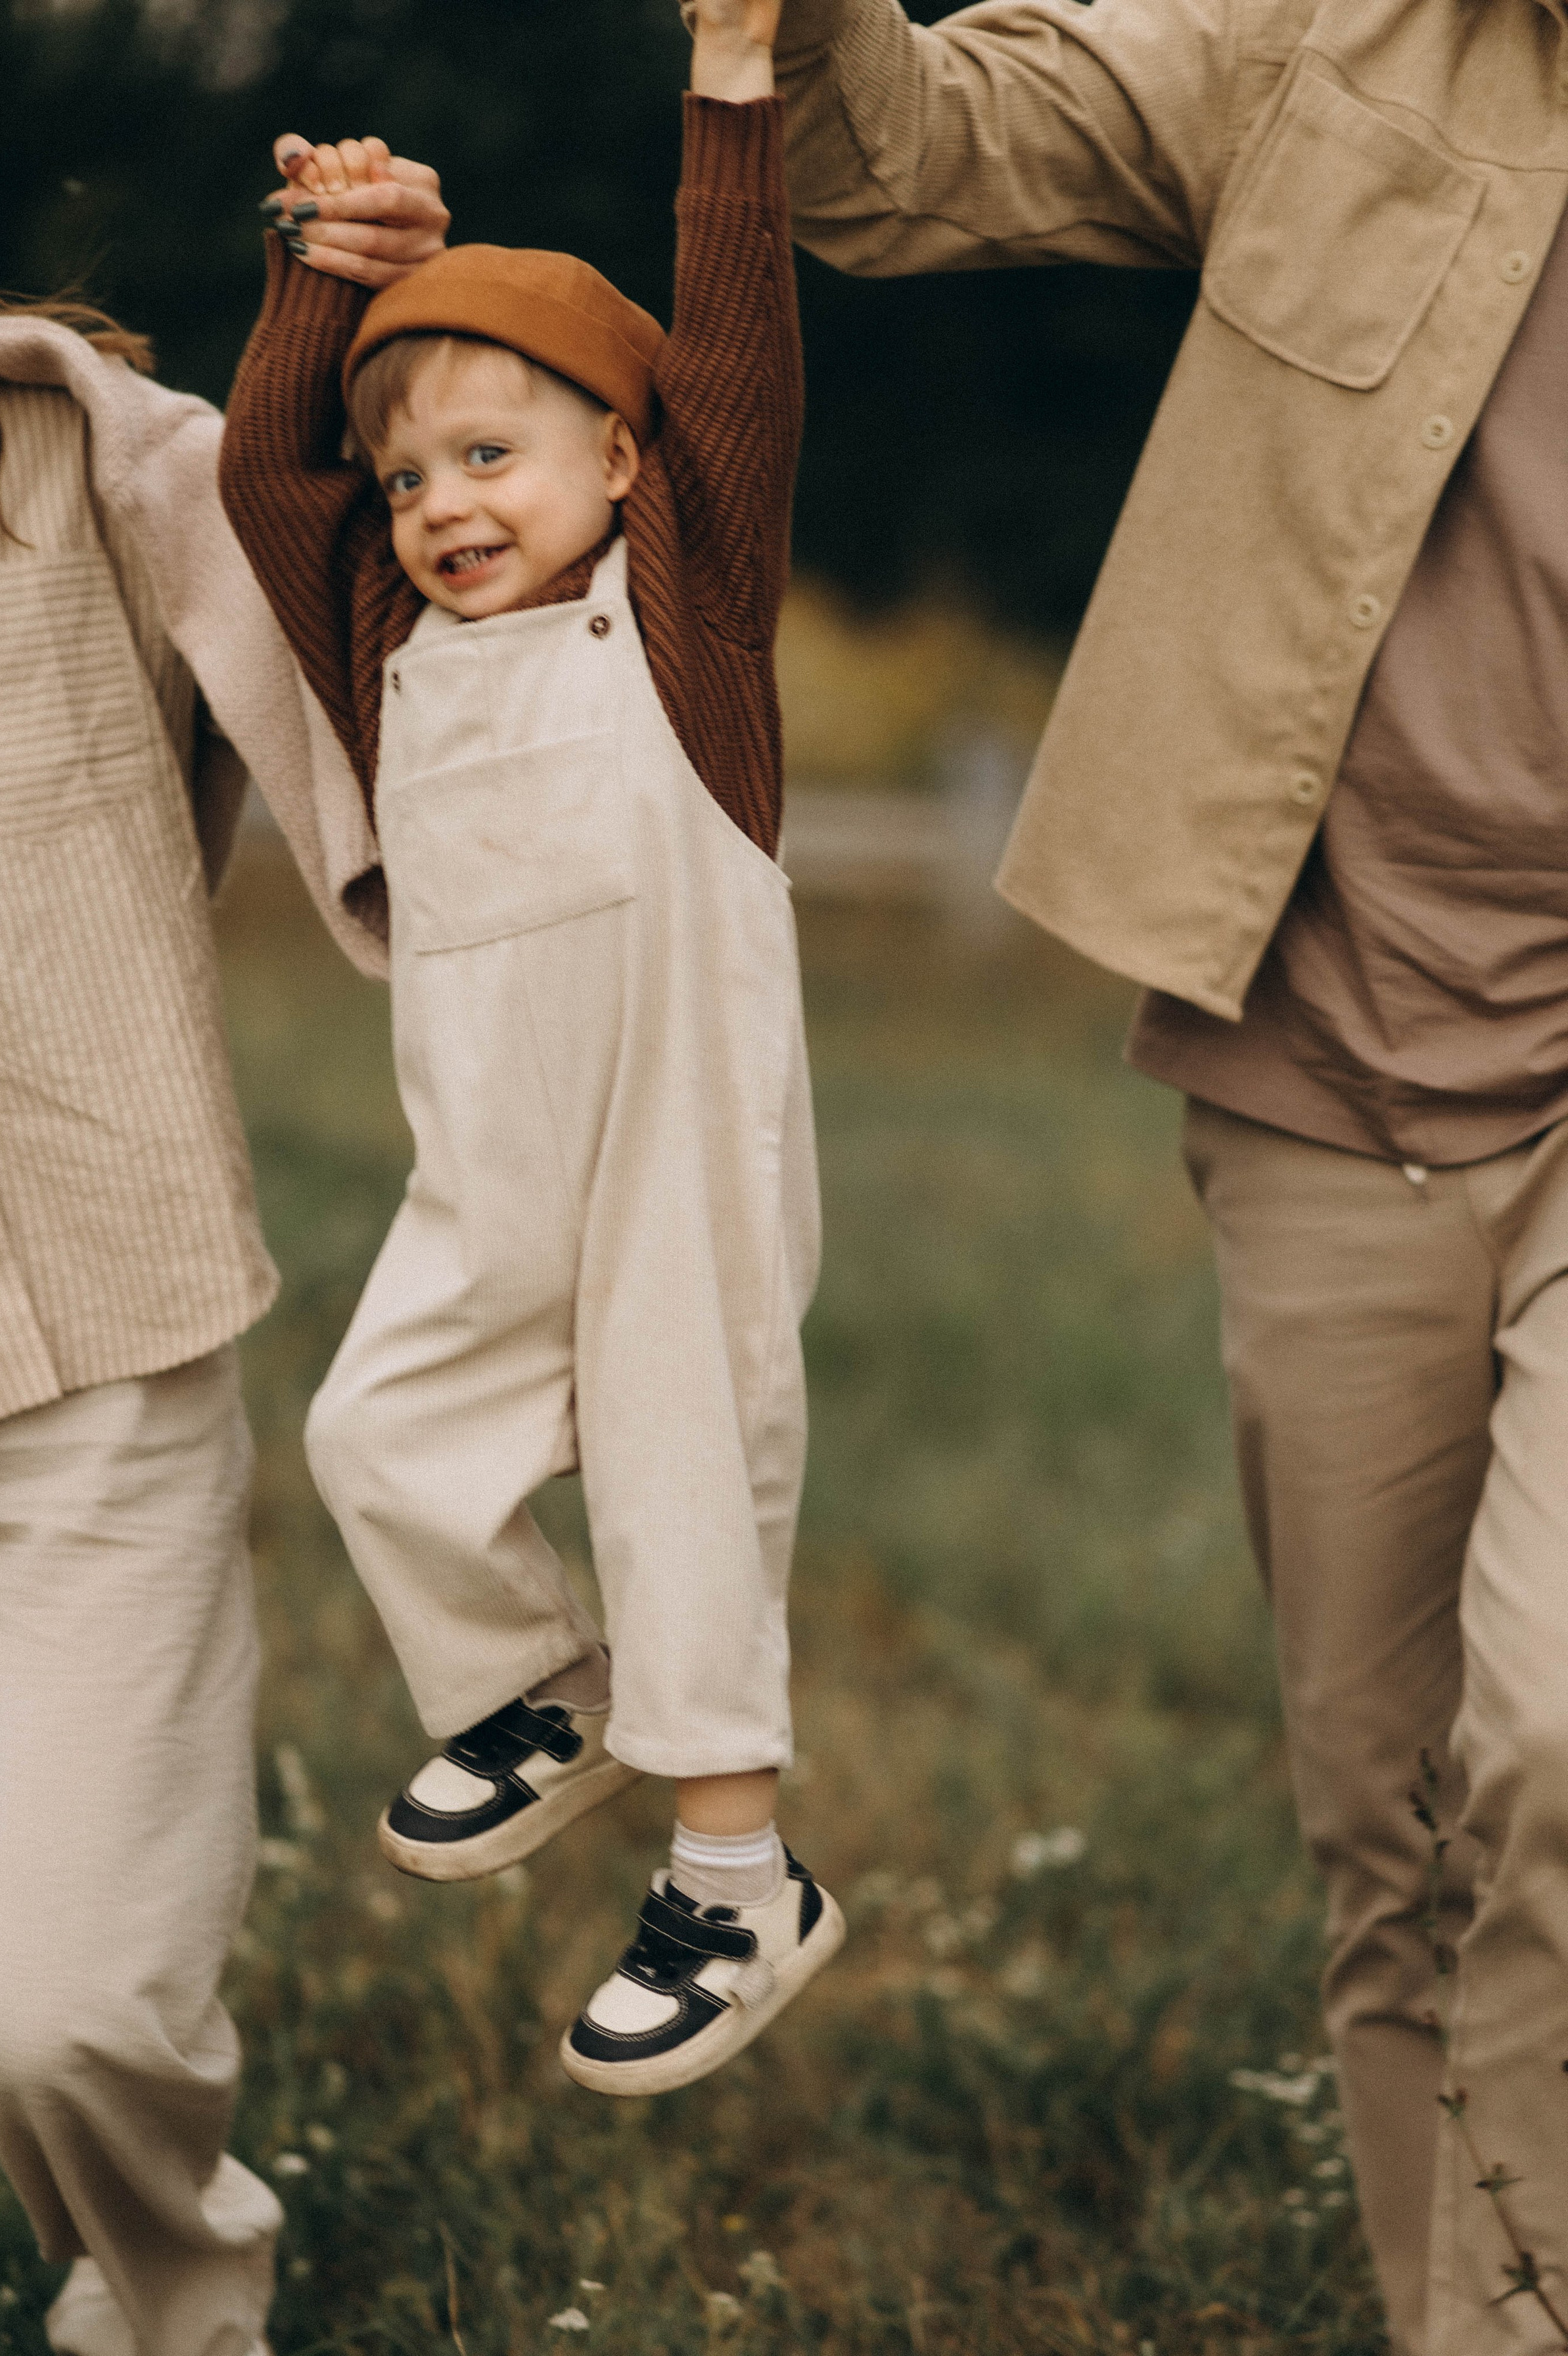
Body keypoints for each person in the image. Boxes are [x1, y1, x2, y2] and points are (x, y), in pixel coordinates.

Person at [770, 0, 1568, 2349]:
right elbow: (880, 159)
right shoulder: (1330, 48)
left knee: (1565, 1740)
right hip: (1332, 1059)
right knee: (1395, 1825)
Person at [218, 0, 844, 2102]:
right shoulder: (390, 645)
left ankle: (739, 1877)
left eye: (494, 456)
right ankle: (546, 1692)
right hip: (490, 1167)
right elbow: (257, 466)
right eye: (409, 476)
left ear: (623, 460)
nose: (439, 504)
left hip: (671, 1145)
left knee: (681, 1472)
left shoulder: (688, 613)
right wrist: (328, 278)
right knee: (374, 1436)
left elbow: (740, 354)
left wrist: (733, 86)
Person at [0, 156, 434, 2353]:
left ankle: (176, 2311)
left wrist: (363, 316)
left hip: (97, 1336)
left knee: (57, 2012)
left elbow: (382, 586)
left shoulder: (60, 458)